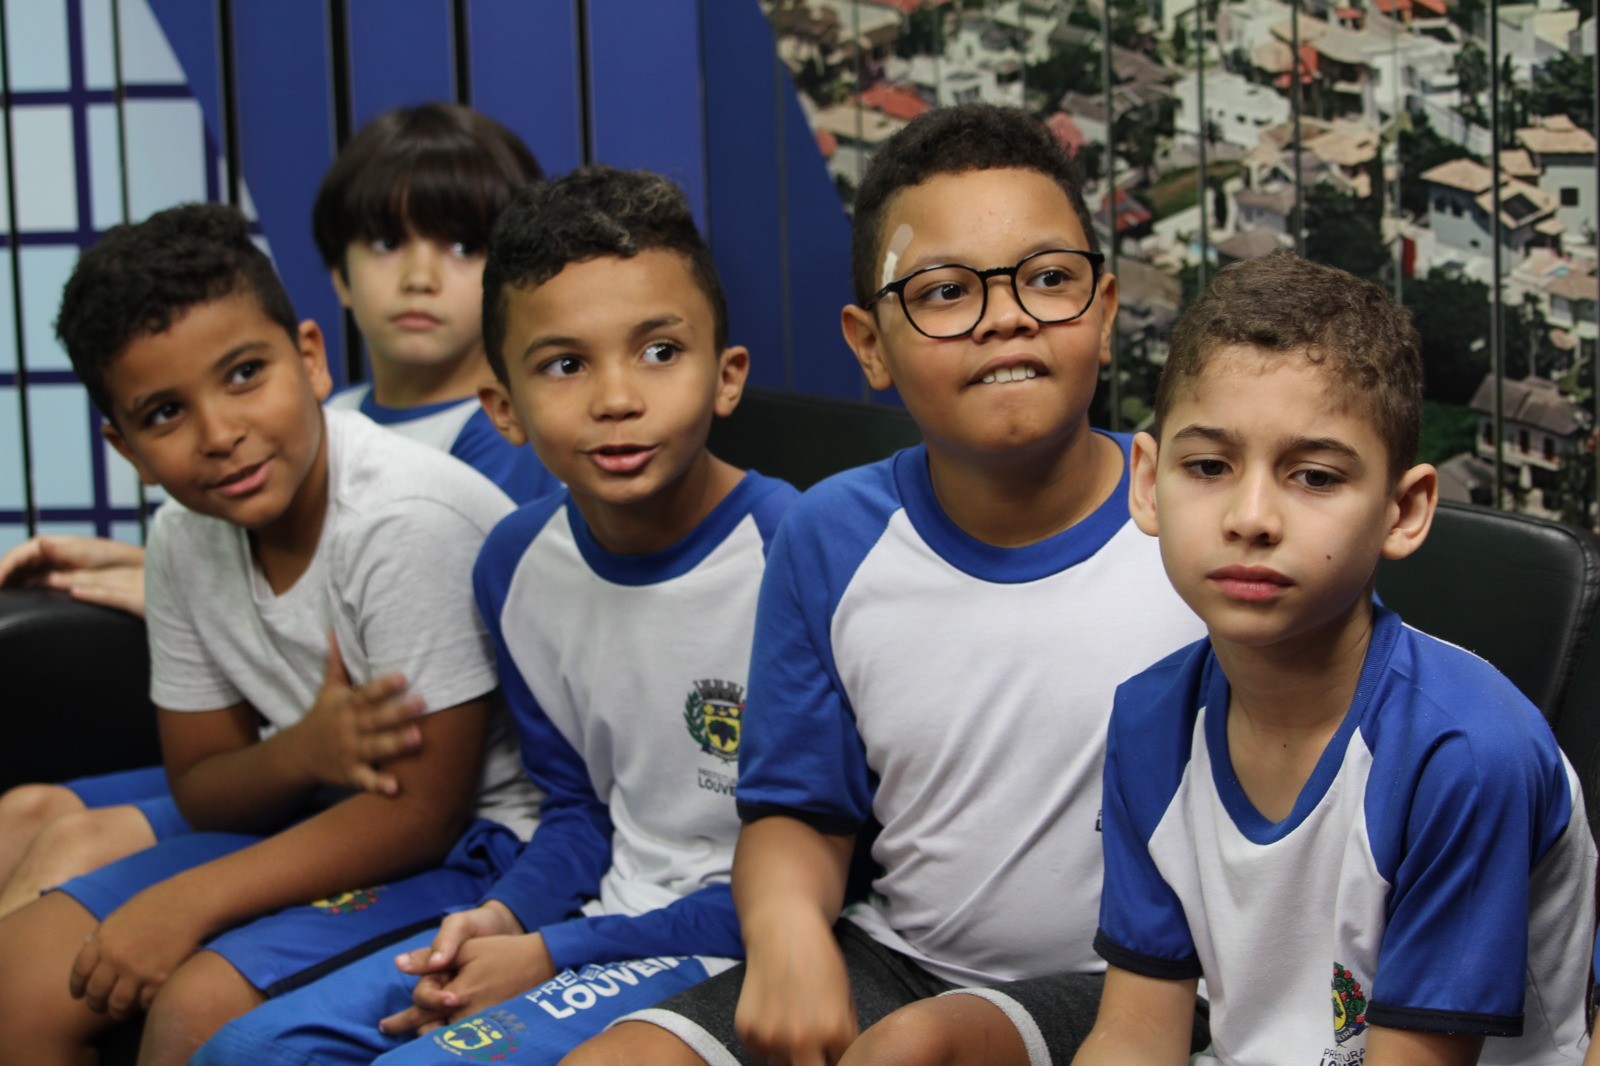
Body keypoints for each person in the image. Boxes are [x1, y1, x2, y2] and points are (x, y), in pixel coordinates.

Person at [567, 104, 1204, 1066]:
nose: (1007, 316)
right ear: (869, 345)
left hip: (1134, 983)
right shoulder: (831, 536)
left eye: (1048, 279)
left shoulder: (1198, 519)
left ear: (1104, 312)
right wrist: (787, 934)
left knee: (912, 1053)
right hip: (899, 957)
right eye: (945, 292)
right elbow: (797, 810)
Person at [195, 165, 797, 1065]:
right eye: (565, 365)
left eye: (660, 351)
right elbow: (579, 812)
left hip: (743, 945)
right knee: (250, 1050)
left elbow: (833, 872)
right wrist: (505, 915)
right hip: (596, 913)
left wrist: (553, 952)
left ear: (727, 375)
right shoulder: (515, 565)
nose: (617, 398)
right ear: (504, 409)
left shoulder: (798, 554)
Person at [0, 202, 537, 1065]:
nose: (221, 434)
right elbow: (204, 785)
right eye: (165, 413)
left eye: (245, 373)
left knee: (196, 1011)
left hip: (484, 843)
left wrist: (189, 901)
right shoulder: (181, 538)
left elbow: (423, 817)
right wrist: (302, 753)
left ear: (311, 359)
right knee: (20, 977)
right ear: (125, 448)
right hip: (327, 810)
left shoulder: (402, 519)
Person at [1073, 252, 1595, 1066]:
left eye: (1314, 477)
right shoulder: (1149, 721)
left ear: (1404, 509)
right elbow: (1136, 1034)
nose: (1251, 517)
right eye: (1207, 466)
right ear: (1147, 483)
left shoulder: (1467, 755)